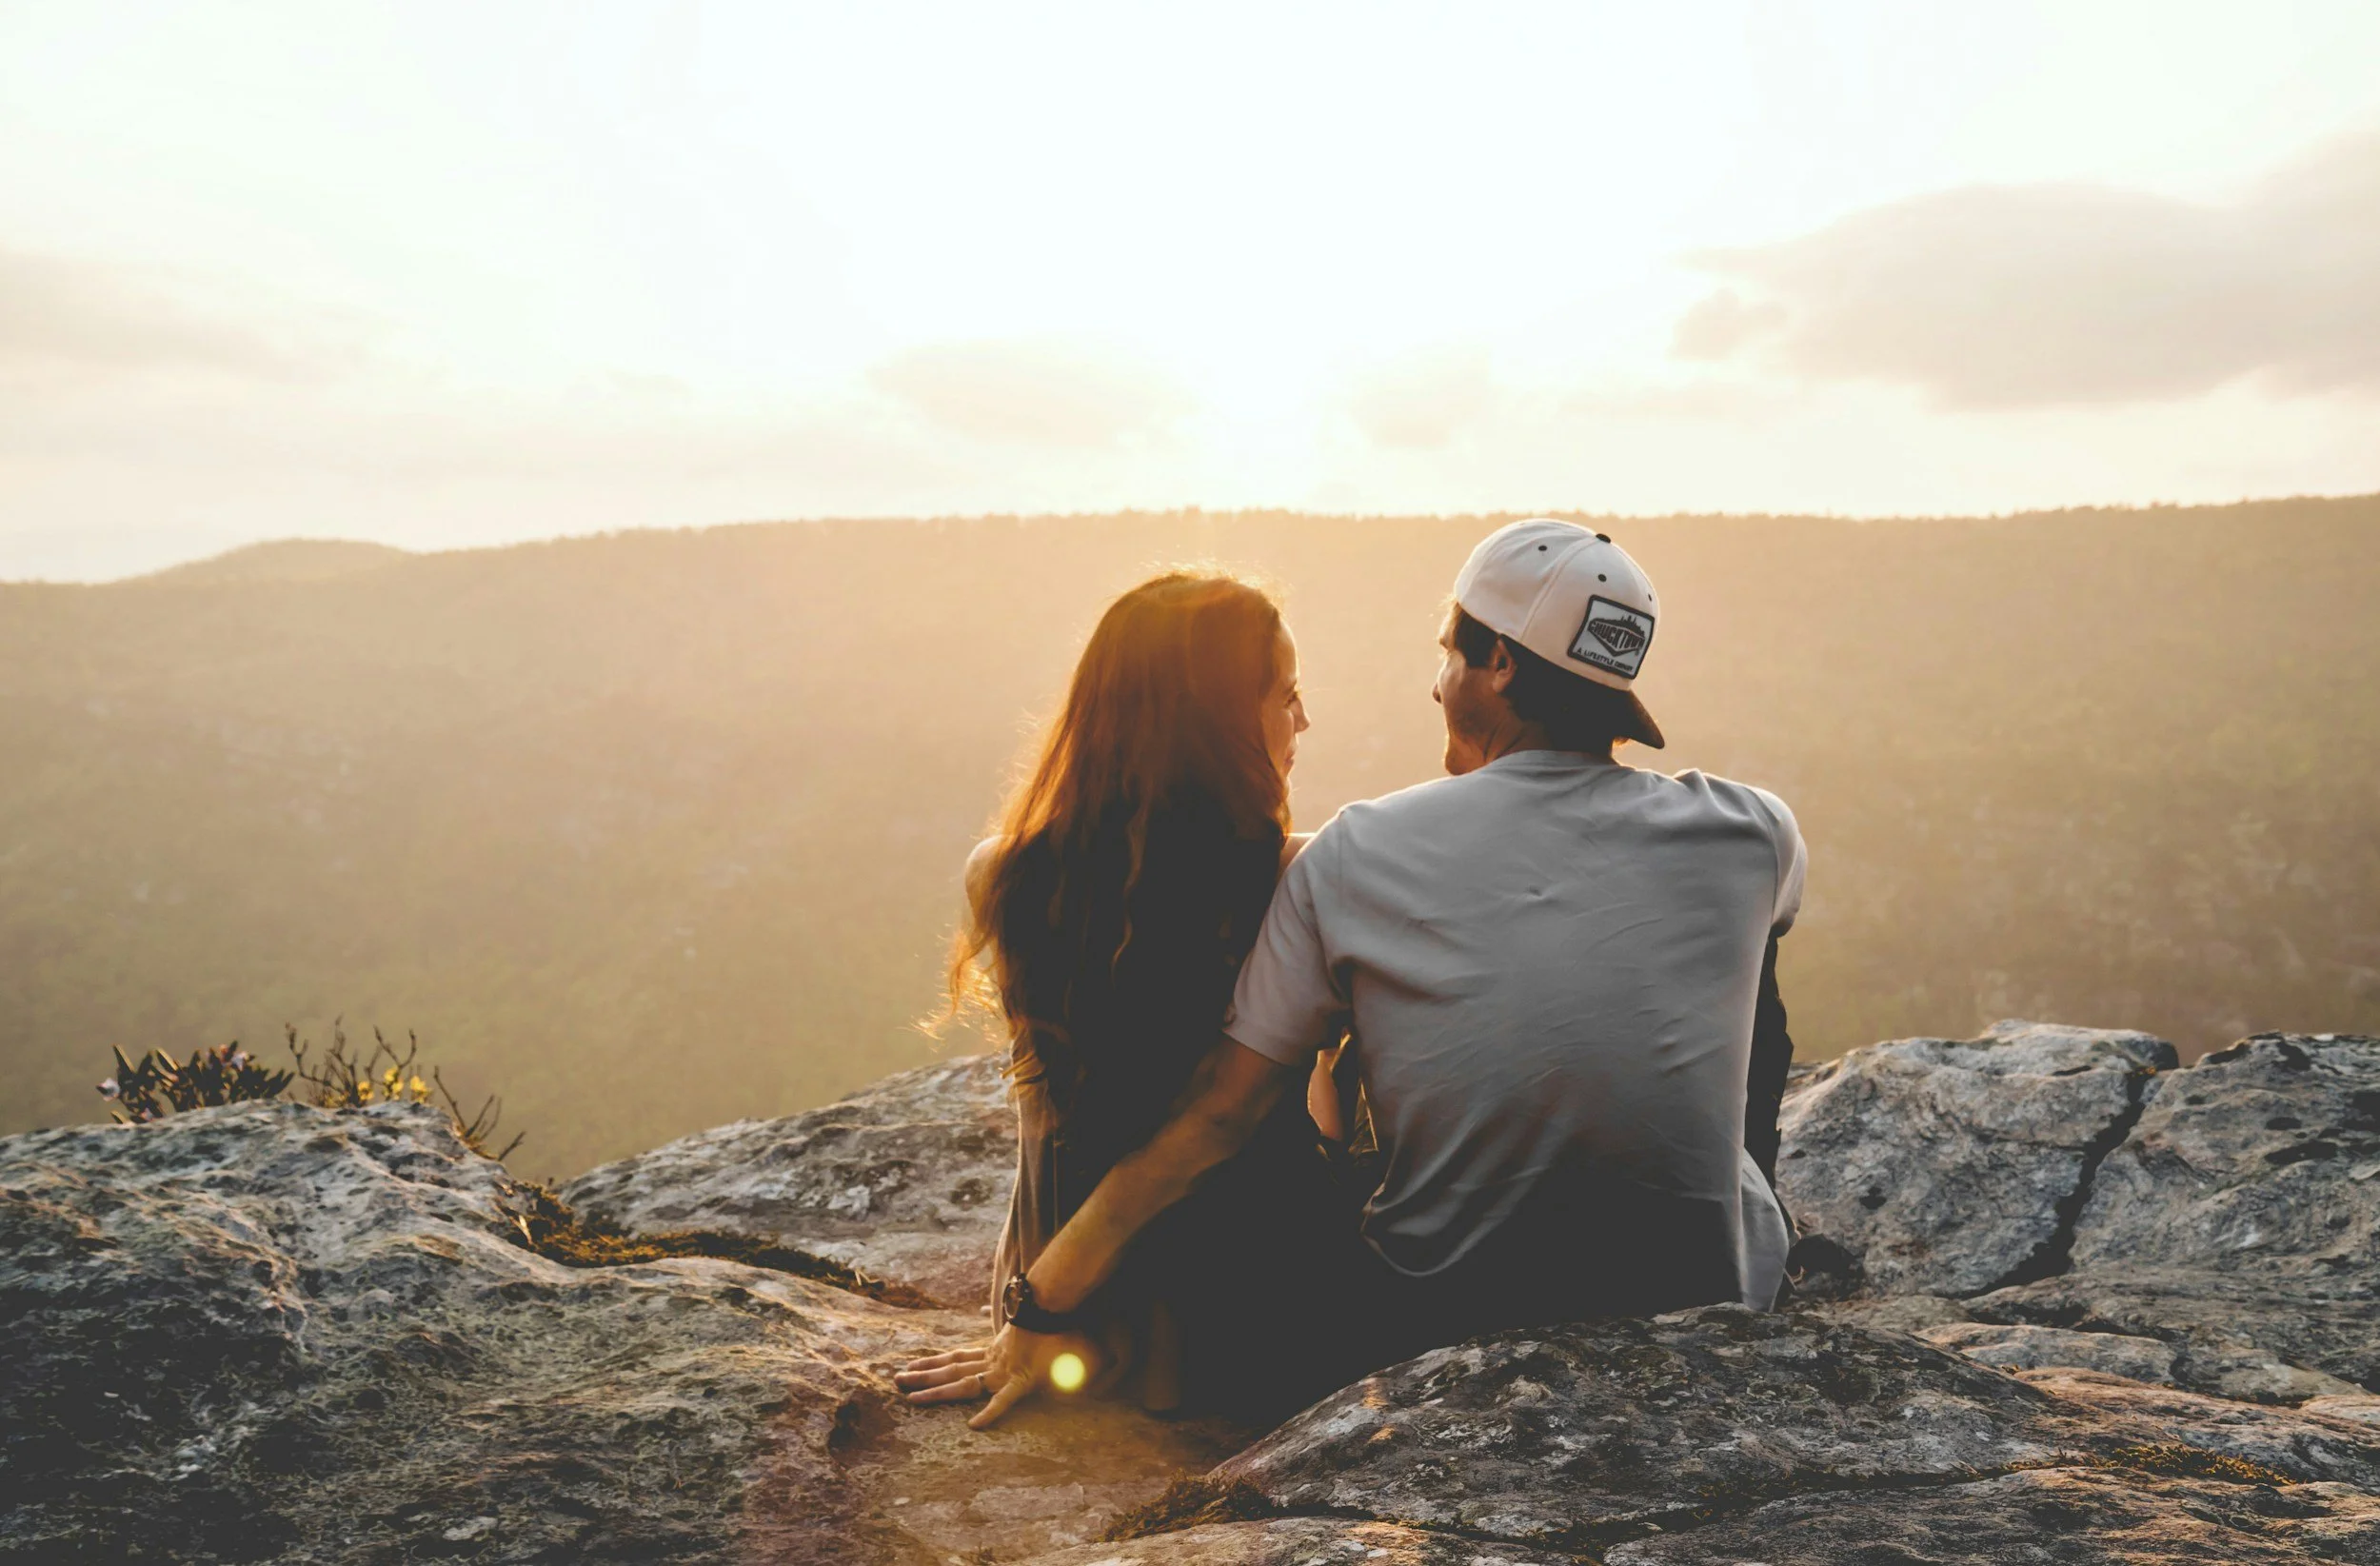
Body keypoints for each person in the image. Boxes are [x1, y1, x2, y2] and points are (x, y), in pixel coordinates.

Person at [919, 519, 1807, 1429]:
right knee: (1750, 957)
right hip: (1706, 1300)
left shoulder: (1355, 855)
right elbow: (1754, 992)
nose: (1433, 681)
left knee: (1367, 1015)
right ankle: (1729, 1221)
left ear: (1497, 662)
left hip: (1431, 1312)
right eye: (1287, 696)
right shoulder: (1755, 831)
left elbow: (1220, 1114)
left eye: (1446, 651)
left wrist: (1043, 1297)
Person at [895, 569, 1353, 1424]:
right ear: (1216, 725)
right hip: (1253, 1313)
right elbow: (1234, 1120)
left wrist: (1031, 1306)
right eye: (1286, 695)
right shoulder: (1300, 876)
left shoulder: (1001, 873)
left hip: (1064, 1309)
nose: (1303, 721)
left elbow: (1049, 1129)